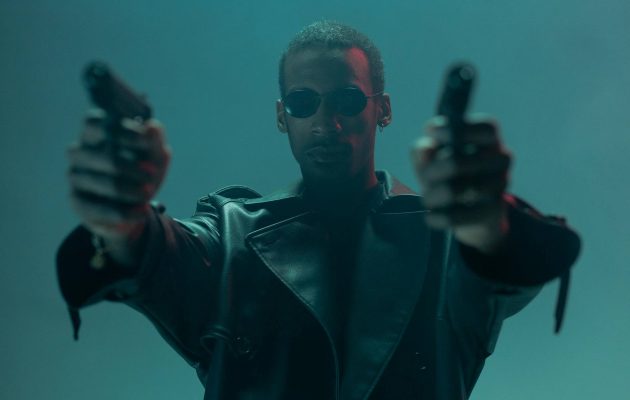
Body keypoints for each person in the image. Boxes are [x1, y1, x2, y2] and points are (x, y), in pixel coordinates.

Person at [57, 21, 580, 399]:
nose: (327, 123)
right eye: (303, 103)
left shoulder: (443, 238)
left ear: (383, 109)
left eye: (347, 101)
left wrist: (488, 219)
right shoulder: (233, 232)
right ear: (282, 116)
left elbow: (501, 265)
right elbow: (160, 255)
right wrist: (121, 220)